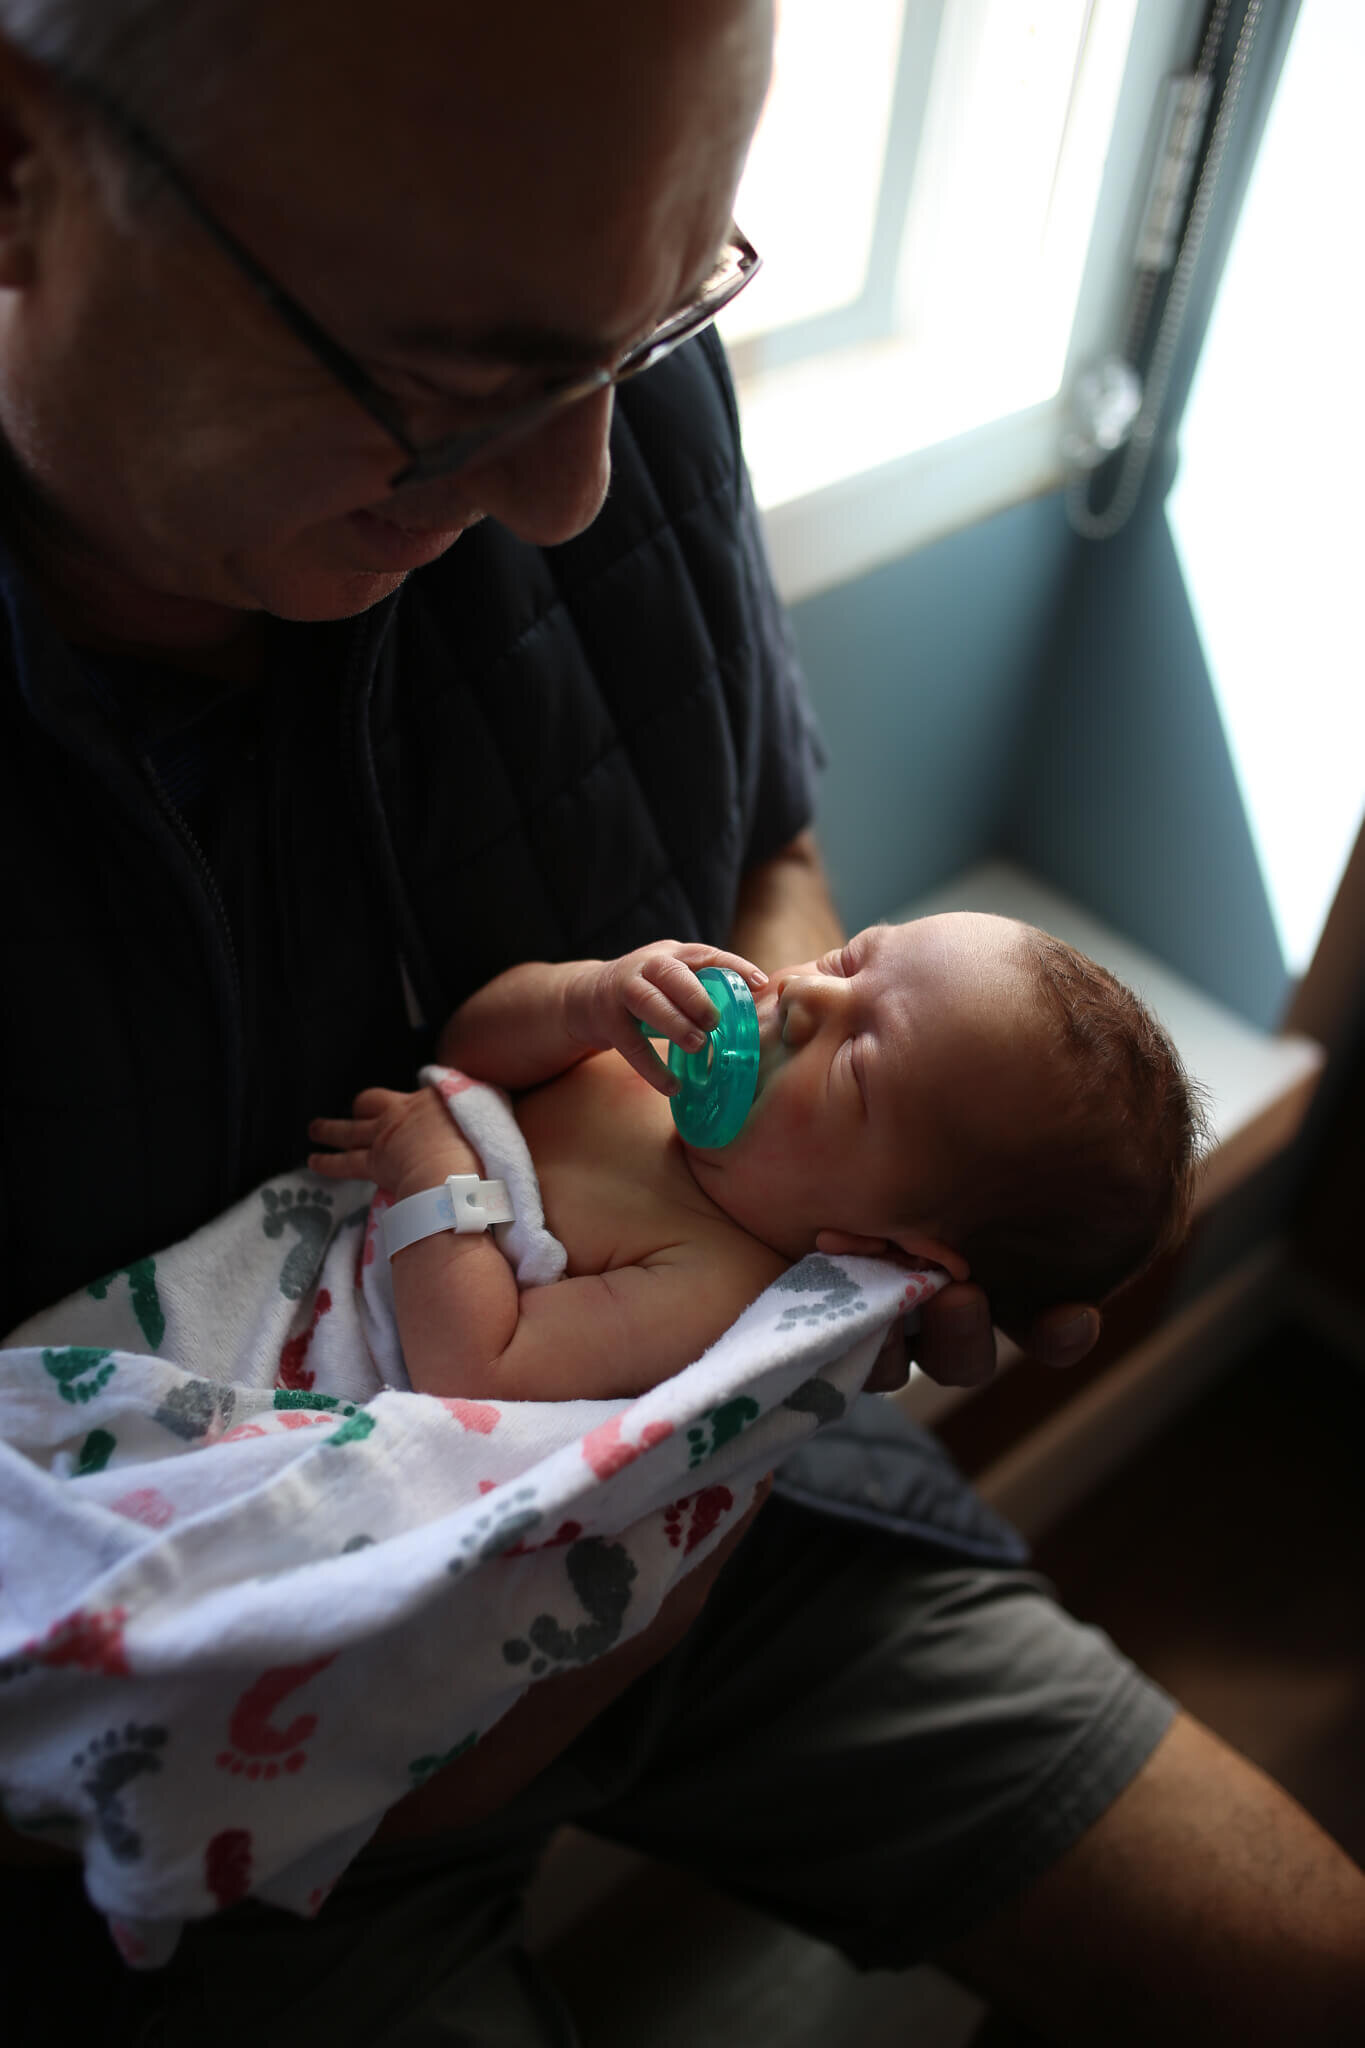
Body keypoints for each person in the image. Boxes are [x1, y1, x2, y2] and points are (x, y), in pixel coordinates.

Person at [0, 3, 1360, 2042]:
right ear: (22, 177)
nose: (574, 492)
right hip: (237, 1642)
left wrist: (802, 1313)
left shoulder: (593, 331)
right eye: (458, 386)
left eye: (645, 334)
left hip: (735, 1524)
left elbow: (774, 875)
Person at [308, 915, 1204, 1404]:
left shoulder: (711, 1280)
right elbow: (471, 1050)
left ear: (891, 1248)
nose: (808, 990)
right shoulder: (657, 1051)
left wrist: (433, 1163)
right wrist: (581, 999)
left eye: (855, 1064)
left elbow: (473, 1373)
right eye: (851, 958)